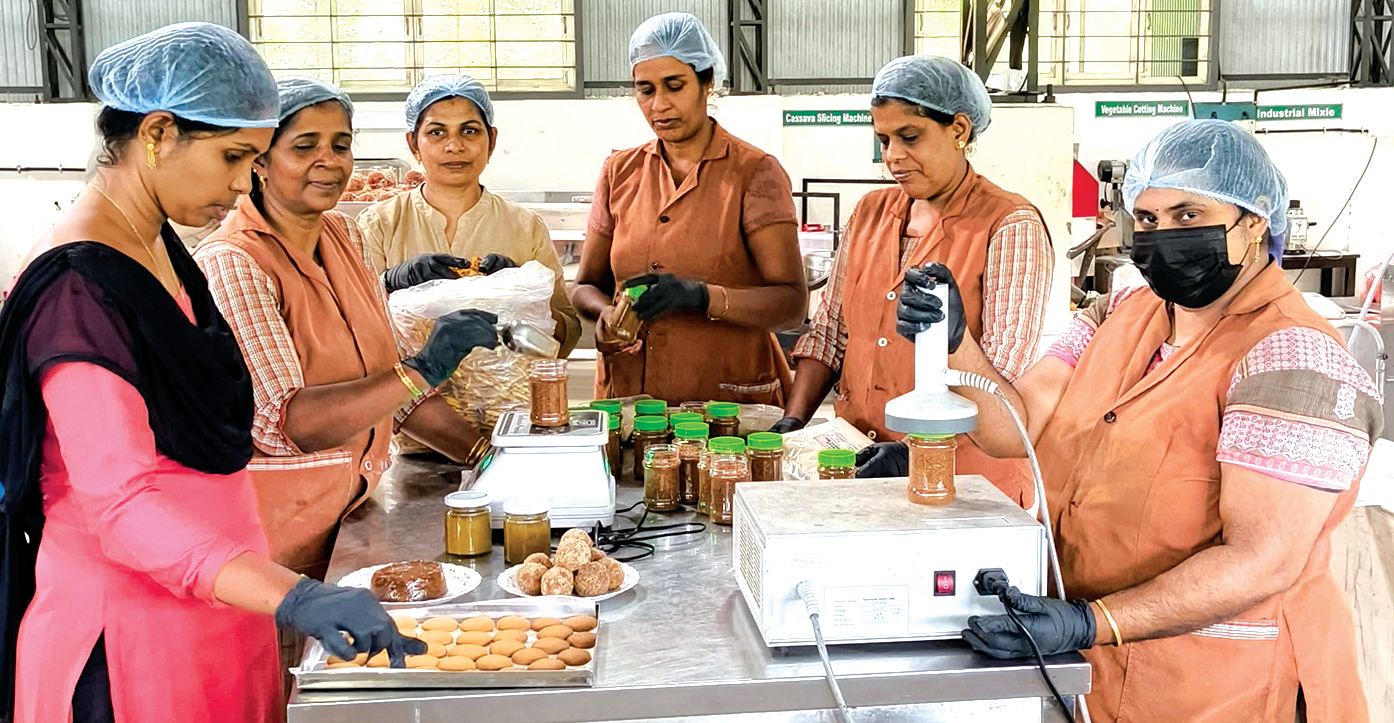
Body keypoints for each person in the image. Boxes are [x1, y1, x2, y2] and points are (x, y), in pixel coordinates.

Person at [0, 24, 421, 723]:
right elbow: (122, 504)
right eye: (232, 155)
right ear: (158, 133)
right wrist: (294, 595)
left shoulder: (160, 248)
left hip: (220, 610)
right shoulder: (80, 288)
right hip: (133, 640)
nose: (241, 180)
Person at [896, 120, 1380, 721]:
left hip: (1221, 686)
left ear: (1254, 222)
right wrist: (957, 343)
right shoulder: (1121, 310)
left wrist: (1089, 621)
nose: (1162, 236)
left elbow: (1262, 559)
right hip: (1094, 671)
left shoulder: (1292, 358)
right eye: (1147, 220)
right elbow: (1011, 426)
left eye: (1187, 216)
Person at [196, 77, 500, 580]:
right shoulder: (234, 262)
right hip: (275, 539)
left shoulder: (342, 235)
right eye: (304, 146)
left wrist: (490, 459)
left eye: (341, 145)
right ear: (260, 161)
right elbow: (285, 424)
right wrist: (424, 367)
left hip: (349, 508)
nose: (330, 160)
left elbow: (389, 389)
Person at [778, 55, 1053, 507]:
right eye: (883, 139)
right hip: (861, 466)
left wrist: (914, 453)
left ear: (959, 130)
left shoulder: (1009, 225)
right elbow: (831, 332)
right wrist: (794, 422)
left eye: (910, 137)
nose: (893, 157)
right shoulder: (870, 213)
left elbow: (1004, 388)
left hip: (966, 487)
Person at [572, 13, 807, 405]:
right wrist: (605, 314)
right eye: (645, 90)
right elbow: (585, 286)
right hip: (632, 396)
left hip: (728, 405)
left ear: (706, 82)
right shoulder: (619, 172)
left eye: (675, 86)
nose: (659, 105)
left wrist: (701, 298)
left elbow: (790, 305)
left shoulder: (754, 173)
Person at [356, 74, 581, 358]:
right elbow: (350, 325)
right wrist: (389, 281)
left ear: (492, 140)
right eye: (437, 132)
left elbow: (566, 332)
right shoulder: (379, 224)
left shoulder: (525, 227)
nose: (454, 146)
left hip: (502, 397)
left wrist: (523, 295)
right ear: (414, 144)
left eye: (470, 131)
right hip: (406, 396)